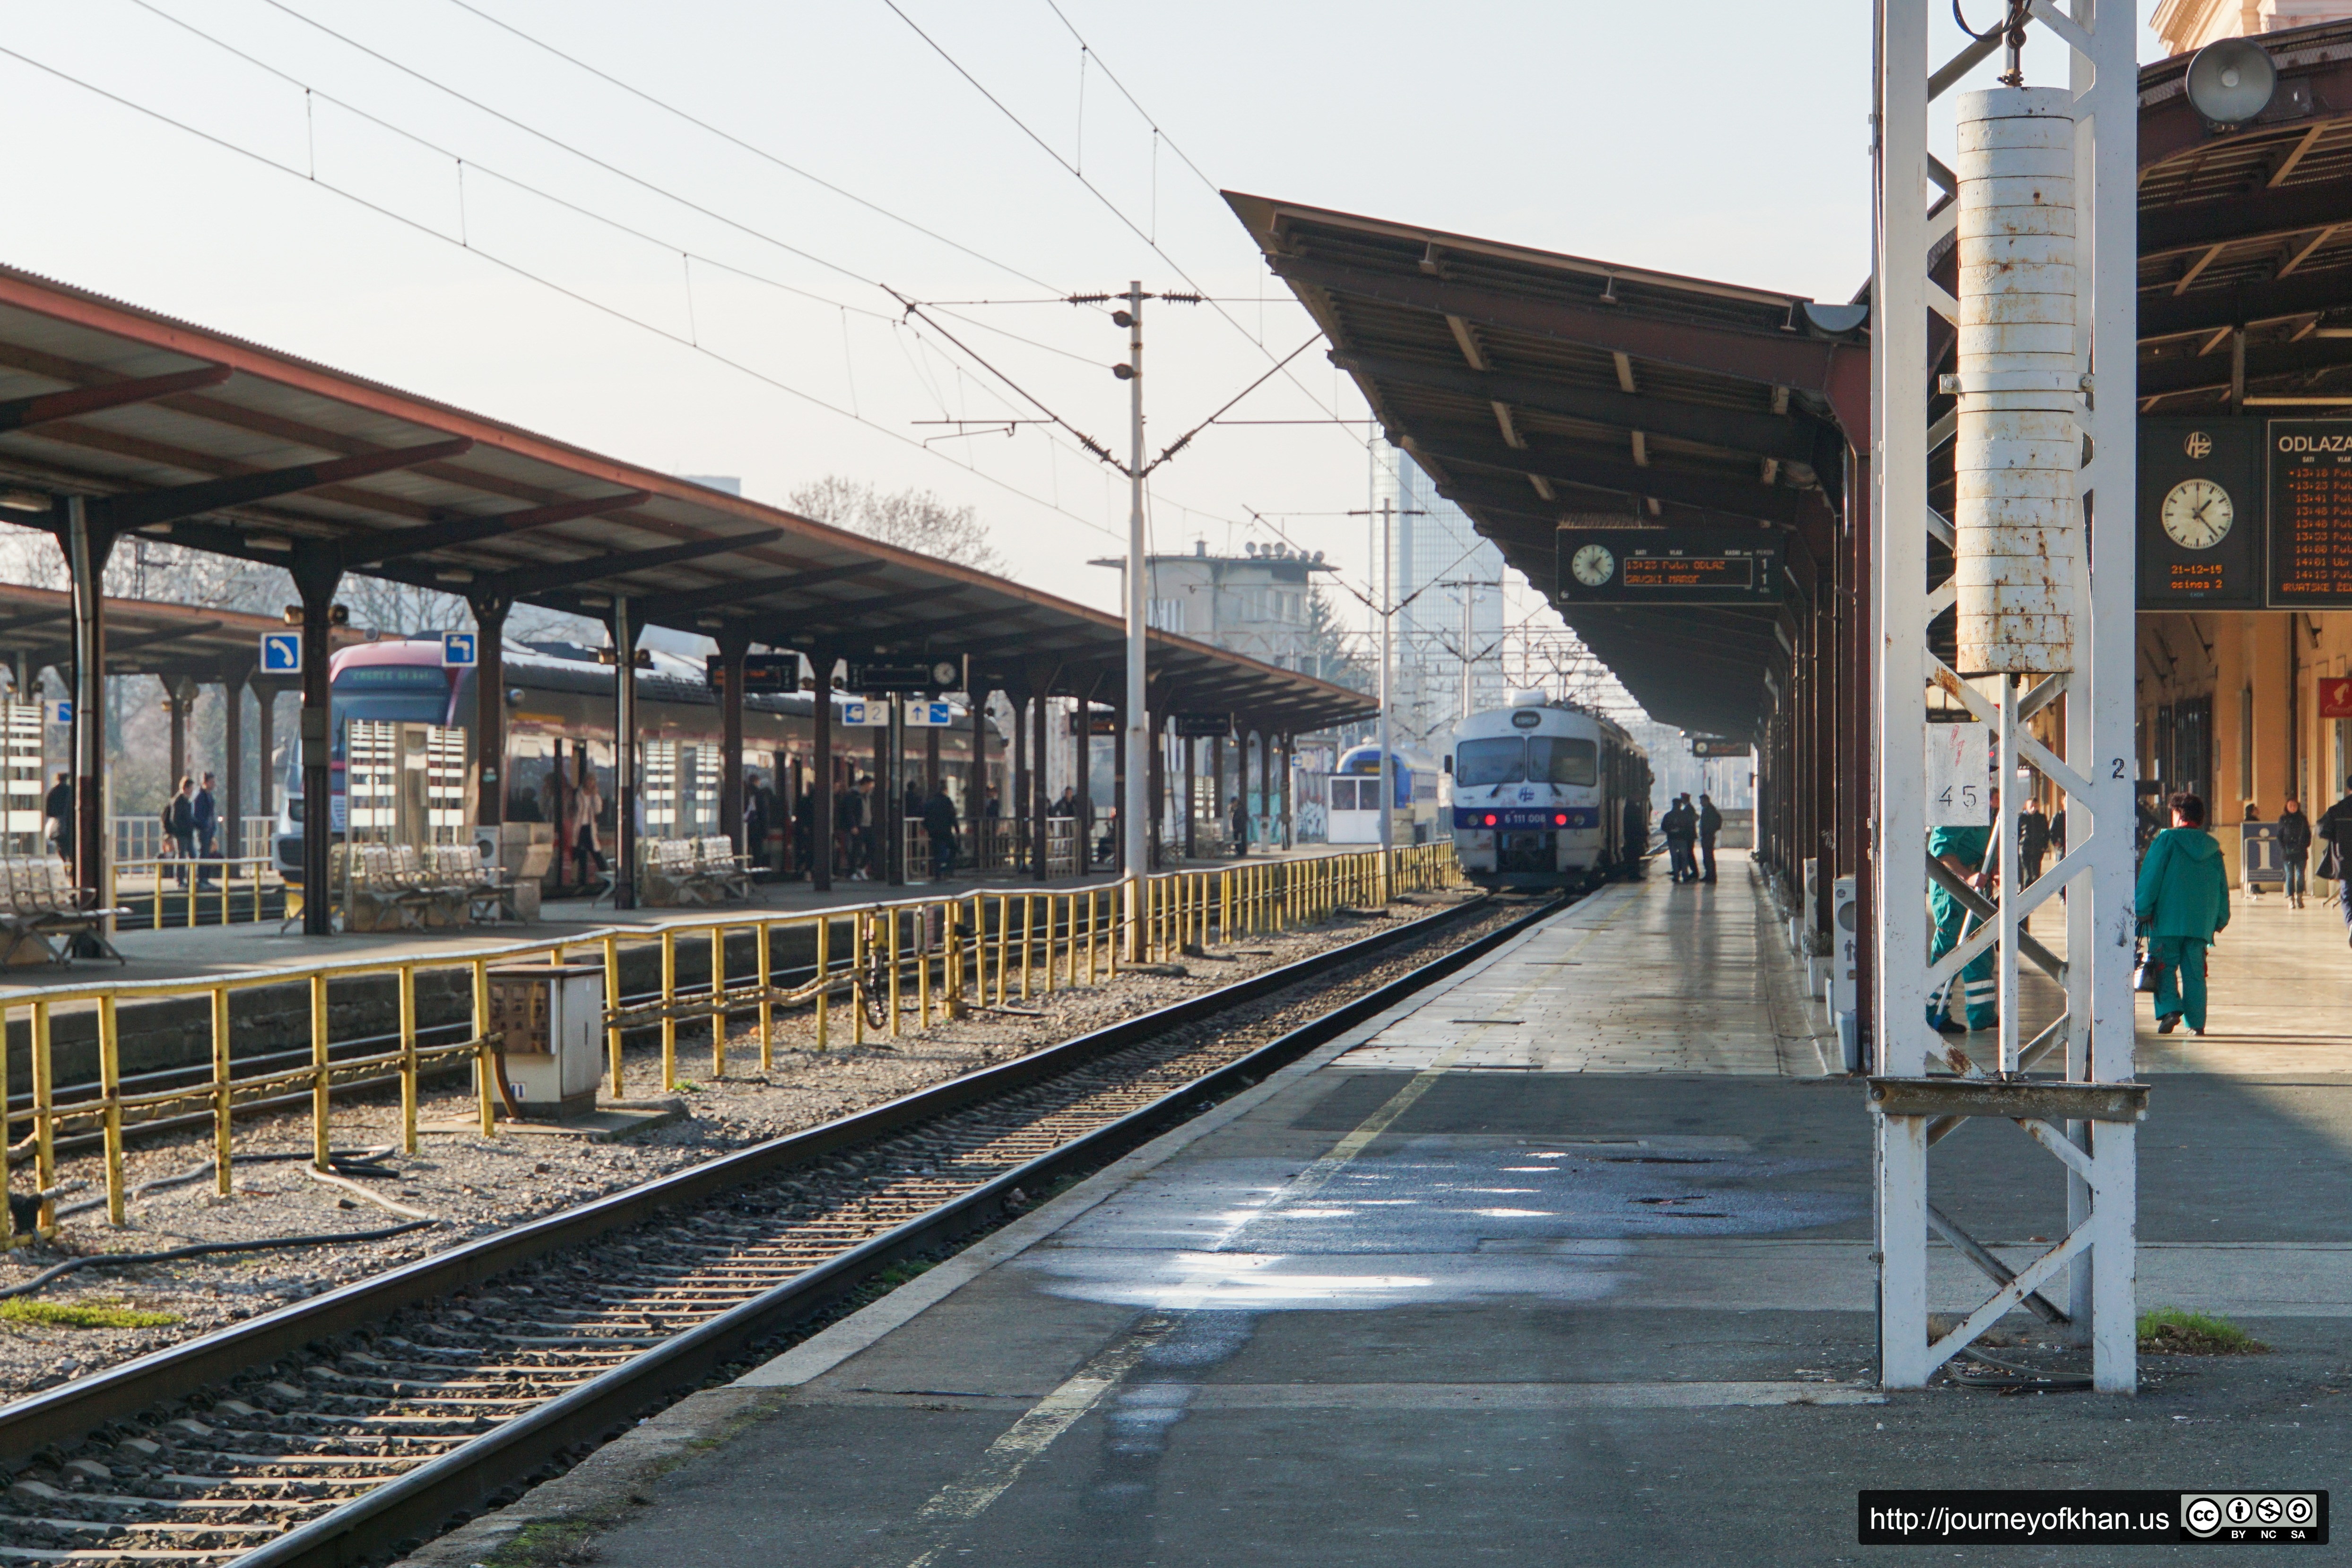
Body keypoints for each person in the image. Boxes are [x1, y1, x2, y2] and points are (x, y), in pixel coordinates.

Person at [2136, 791, 2230, 1037]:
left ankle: (2170, 1010)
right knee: (2195, 973)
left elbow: (2151, 877)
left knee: (2164, 968)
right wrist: (2220, 918)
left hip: (2166, 921)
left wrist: (2142, 909)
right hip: (2200, 924)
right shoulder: (2213, 848)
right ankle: (2196, 1024)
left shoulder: (2166, 841)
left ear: (2177, 815)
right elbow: (2222, 886)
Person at [1926, 787, 1997, 1034]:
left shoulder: (1981, 808)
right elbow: (1941, 851)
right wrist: (1969, 876)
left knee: (1981, 948)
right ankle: (1932, 1011)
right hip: (1953, 890)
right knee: (1949, 950)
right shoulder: (1956, 807)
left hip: (1975, 889)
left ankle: (1983, 1015)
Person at [2316, 774, 2352, 944]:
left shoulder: (2337, 810)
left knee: (2347, 897)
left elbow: (2322, 830)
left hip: (2344, 860)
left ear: (2348, 789)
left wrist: (2337, 836)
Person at [570, 771, 606, 887]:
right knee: (577, 852)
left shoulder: (594, 795)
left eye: (593, 781)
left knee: (596, 853)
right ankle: (578, 878)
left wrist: (595, 795)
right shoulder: (578, 793)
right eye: (589, 781)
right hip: (578, 827)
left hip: (589, 828)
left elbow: (598, 810)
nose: (591, 783)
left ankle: (607, 877)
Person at [2280, 797, 2312, 910]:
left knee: (2300, 875)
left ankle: (2300, 897)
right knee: (2290, 876)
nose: (2293, 808)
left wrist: (2304, 845)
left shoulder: (2303, 819)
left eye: (2295, 806)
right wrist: (2284, 848)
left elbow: (2308, 834)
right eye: (2290, 806)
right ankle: (2291, 899)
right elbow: (2280, 835)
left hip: (2301, 852)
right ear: (2287, 807)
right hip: (2288, 853)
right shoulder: (2283, 819)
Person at [165, 776, 197, 887]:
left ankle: (190, 880)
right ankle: (180, 880)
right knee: (182, 855)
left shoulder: (187, 801)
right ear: (186, 788)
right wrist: (186, 827)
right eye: (191, 789)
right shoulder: (178, 802)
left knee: (192, 855)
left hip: (187, 833)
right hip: (181, 834)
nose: (192, 791)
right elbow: (176, 820)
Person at [922, 782, 959, 881]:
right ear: (945, 791)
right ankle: (948, 870)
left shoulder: (931, 803)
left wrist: (929, 829)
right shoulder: (947, 802)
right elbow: (953, 816)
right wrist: (957, 830)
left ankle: (938, 873)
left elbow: (925, 817)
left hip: (934, 832)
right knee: (954, 848)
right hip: (946, 831)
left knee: (936, 852)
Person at [1660, 794, 1698, 884]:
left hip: (1672, 839)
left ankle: (1676, 876)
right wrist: (1681, 830)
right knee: (1684, 857)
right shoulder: (1684, 815)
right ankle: (1685, 875)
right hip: (1682, 839)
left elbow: (1663, 827)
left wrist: (1671, 830)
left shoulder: (1668, 815)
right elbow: (1689, 825)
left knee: (1674, 858)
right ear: (1680, 805)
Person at [43, 771, 72, 862]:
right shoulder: (71, 791)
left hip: (58, 826)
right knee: (70, 848)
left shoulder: (53, 792)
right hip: (70, 825)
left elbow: (48, 812)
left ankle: (63, 866)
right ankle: (71, 868)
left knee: (61, 847)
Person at [1696, 793, 1722, 883]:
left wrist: (1710, 831)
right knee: (1707, 857)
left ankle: (1711, 876)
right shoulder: (1707, 810)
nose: (1701, 803)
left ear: (1706, 801)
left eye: (1702, 801)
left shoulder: (1711, 810)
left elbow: (1718, 821)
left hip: (1708, 836)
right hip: (1706, 836)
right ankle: (1709, 875)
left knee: (1709, 857)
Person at [1230, 794, 1250, 858]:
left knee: (1239, 840)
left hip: (1240, 827)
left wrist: (1237, 826)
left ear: (1236, 802)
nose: (1233, 804)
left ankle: (1241, 852)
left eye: (1233, 803)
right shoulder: (1238, 809)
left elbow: (1238, 818)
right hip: (1240, 827)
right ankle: (1241, 852)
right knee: (1240, 839)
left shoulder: (1240, 809)